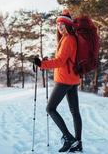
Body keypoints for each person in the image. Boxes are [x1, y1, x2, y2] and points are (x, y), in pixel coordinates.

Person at [34, 9, 82, 153]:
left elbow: (61, 61)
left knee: (50, 108)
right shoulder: (70, 38)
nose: (59, 27)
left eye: (62, 24)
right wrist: (47, 62)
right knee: (75, 112)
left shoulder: (68, 39)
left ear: (68, 25)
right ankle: (78, 143)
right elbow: (64, 60)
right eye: (58, 24)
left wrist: (42, 64)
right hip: (72, 78)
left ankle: (69, 138)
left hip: (65, 79)